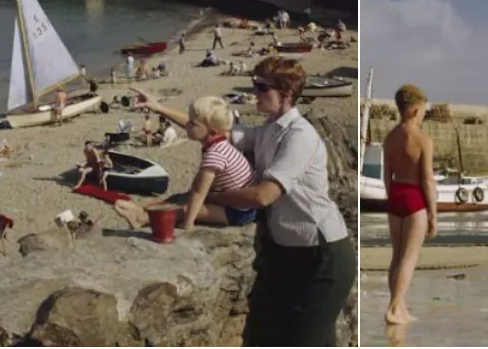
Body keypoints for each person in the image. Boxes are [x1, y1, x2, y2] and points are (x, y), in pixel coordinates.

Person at [130, 54, 354, 347]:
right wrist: (159, 107)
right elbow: (207, 128)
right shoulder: (267, 130)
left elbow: (264, 195)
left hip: (324, 255)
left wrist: (210, 195)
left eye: (262, 88)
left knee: (311, 339)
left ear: (285, 94)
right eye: (254, 85)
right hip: (292, 253)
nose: (254, 92)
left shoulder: (300, 136)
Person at [381, 83, 438, 325]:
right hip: (415, 198)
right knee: (410, 258)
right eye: (424, 110)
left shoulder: (390, 138)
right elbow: (427, 179)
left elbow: (386, 176)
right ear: (415, 110)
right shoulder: (422, 139)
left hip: (396, 196)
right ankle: (394, 308)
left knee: (396, 256)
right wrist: (433, 214)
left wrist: (390, 198)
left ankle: (400, 305)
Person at [175, 96, 257, 231]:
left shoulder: (215, 154)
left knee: (187, 209)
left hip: (239, 212)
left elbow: (199, 191)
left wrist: (188, 222)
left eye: (193, 123)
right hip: (243, 204)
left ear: (212, 131)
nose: (187, 125)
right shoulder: (221, 145)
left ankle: (146, 218)